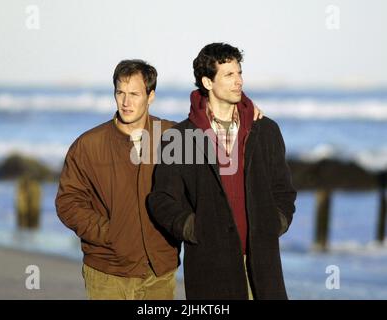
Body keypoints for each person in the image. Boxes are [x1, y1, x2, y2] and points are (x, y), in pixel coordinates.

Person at [55, 58, 265, 300]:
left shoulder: (173, 136)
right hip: (108, 270)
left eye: (134, 94)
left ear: (150, 96)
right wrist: (108, 233)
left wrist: (246, 110)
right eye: (120, 93)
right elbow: (68, 202)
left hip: (161, 270)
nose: (126, 102)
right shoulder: (88, 145)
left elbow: (217, 131)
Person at [148, 43, 297, 300]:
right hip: (209, 262)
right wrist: (192, 228)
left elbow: (283, 190)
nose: (238, 81)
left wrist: (276, 222)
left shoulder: (266, 130)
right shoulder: (180, 138)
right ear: (207, 81)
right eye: (229, 75)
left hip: (262, 261)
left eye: (239, 73)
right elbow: (162, 199)